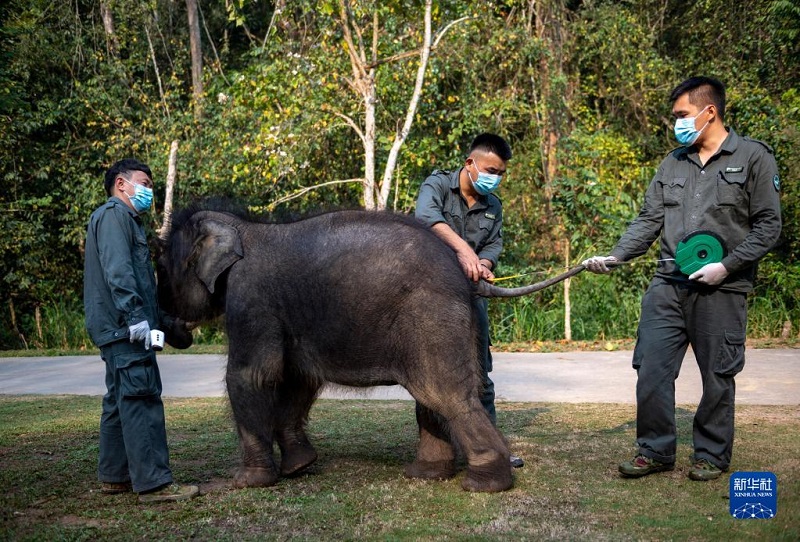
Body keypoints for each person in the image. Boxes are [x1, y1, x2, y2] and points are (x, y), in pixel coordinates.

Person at [583, 77, 782, 481]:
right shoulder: (672, 162)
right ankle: (654, 450)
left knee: (717, 375)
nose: (676, 123)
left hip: (722, 287)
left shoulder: (754, 158)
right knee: (651, 368)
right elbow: (649, 220)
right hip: (668, 284)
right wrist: (618, 255)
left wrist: (727, 266)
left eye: (682, 115)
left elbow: (769, 225)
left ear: (710, 112)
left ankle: (710, 454)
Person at [84, 158, 199, 503]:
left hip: (119, 327)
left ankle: (115, 476)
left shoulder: (122, 220)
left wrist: (164, 323)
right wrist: (136, 318)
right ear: (121, 184)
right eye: (144, 183)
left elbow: (138, 283)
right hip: (124, 327)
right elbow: (119, 272)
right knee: (141, 397)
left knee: (119, 401)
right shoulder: (115, 217)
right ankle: (154, 484)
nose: (149, 190)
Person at [415, 133, 524, 469]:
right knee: (431, 373)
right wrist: (464, 252)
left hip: (470, 297)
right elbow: (426, 219)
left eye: (501, 173)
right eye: (490, 169)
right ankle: (438, 449)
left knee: (479, 375)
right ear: (470, 163)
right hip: (429, 297)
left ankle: (488, 446)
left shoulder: (493, 206)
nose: (495, 178)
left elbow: (493, 246)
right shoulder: (436, 186)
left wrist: (485, 265)